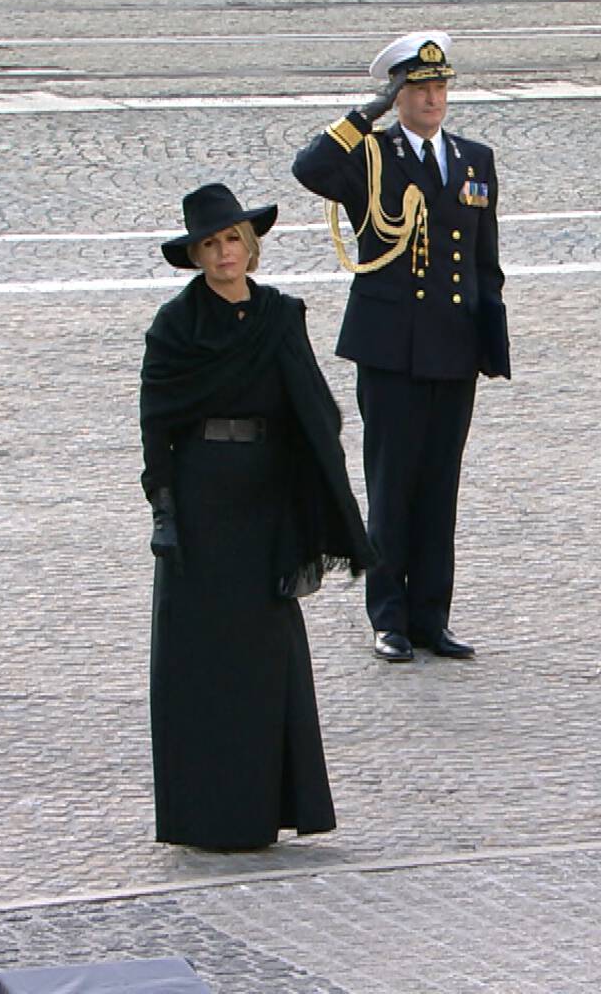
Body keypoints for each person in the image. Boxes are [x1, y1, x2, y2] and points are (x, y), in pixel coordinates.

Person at [139, 183, 373, 850]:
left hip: (266, 498)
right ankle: (201, 815)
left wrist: (309, 513)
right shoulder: (176, 326)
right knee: (199, 662)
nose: (224, 253)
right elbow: (156, 422)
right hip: (202, 500)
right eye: (211, 244)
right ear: (195, 256)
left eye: (233, 239)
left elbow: (315, 414)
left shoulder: (279, 316)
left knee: (264, 661)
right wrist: (163, 507)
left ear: (251, 245)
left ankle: (267, 807)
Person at [292, 31, 509, 664]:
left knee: (441, 488)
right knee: (392, 487)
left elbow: (483, 259)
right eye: (419, 89)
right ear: (399, 95)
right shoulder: (373, 156)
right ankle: (388, 616)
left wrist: (489, 328)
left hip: (454, 347)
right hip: (391, 348)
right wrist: (365, 116)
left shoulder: (474, 160)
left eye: (441, 88)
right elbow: (309, 170)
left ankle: (430, 618)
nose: (434, 99)